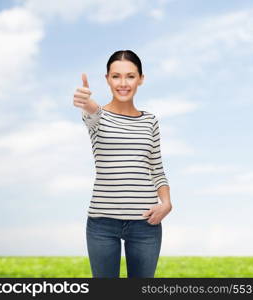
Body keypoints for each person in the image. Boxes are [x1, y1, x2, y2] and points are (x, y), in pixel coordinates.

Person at [73, 50, 172, 278]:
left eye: (130, 76)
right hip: (102, 224)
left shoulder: (150, 121)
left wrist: (166, 202)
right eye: (116, 76)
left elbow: (157, 168)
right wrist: (86, 103)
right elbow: (91, 111)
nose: (123, 83)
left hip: (146, 223)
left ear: (141, 79)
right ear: (107, 79)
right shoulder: (98, 117)